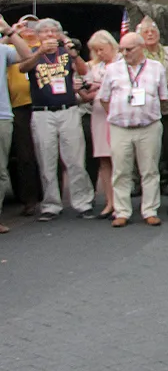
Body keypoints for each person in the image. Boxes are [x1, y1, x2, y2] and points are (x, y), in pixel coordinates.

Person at [17, 19, 95, 221]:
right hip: (42, 112)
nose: (50, 35)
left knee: (75, 158)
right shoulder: (32, 52)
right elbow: (23, 68)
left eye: (53, 31)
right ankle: (51, 204)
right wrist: (39, 53)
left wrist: (74, 53)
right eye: (45, 32)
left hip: (68, 109)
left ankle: (83, 202)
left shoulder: (65, 52)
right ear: (38, 36)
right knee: (46, 159)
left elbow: (83, 70)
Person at [97, 32, 168, 228]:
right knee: (121, 171)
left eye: (129, 49)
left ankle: (150, 210)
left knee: (150, 170)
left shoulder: (156, 68)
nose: (125, 53)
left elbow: (163, 98)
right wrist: (118, 114)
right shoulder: (112, 69)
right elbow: (104, 98)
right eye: (122, 49)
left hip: (149, 126)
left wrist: (147, 112)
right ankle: (122, 211)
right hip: (120, 127)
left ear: (141, 47)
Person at [81, 31, 122, 220]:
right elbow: (86, 95)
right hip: (98, 115)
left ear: (111, 46)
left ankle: (121, 202)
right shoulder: (94, 67)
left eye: (102, 49)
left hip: (118, 113)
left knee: (120, 159)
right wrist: (86, 90)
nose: (99, 53)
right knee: (104, 159)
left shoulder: (122, 63)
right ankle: (109, 201)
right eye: (96, 50)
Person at [0, 15, 34, 232]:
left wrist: (9, 31)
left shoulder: (3, 50)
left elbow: (27, 56)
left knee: (0, 171)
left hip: (2, 116)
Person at [6, 16, 42, 217]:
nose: (29, 28)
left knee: (44, 150)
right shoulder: (11, 47)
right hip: (19, 105)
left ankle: (48, 195)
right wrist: (10, 31)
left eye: (33, 25)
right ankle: (28, 198)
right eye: (25, 25)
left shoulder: (44, 46)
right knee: (24, 154)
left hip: (41, 103)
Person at [137, 17, 168, 197]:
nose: (150, 34)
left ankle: (167, 179)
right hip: (146, 108)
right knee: (147, 148)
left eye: (153, 31)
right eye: (146, 32)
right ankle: (142, 181)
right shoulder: (138, 54)